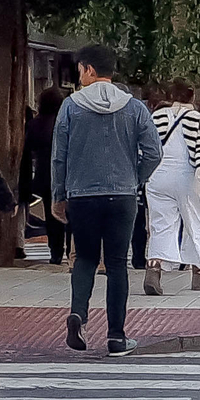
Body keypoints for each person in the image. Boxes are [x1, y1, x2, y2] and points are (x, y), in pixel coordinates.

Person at [50, 43, 162, 355]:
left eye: (80, 70)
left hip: (82, 195)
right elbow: (154, 152)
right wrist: (134, 177)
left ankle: (78, 314)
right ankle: (116, 336)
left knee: (85, 258)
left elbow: (59, 157)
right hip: (123, 195)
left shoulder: (71, 106)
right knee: (116, 264)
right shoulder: (135, 107)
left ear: (88, 69)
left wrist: (59, 195)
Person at [144, 82, 200, 294]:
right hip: (188, 177)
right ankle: (199, 274)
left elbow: (148, 148)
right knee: (195, 223)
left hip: (157, 177)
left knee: (160, 225)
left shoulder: (156, 117)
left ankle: (154, 269)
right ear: (192, 96)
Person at [20, 86, 68, 264]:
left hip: (45, 174)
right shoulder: (64, 122)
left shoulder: (35, 124)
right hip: (66, 173)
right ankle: (71, 251)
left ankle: (55, 252)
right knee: (69, 214)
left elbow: (29, 148)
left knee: (51, 214)